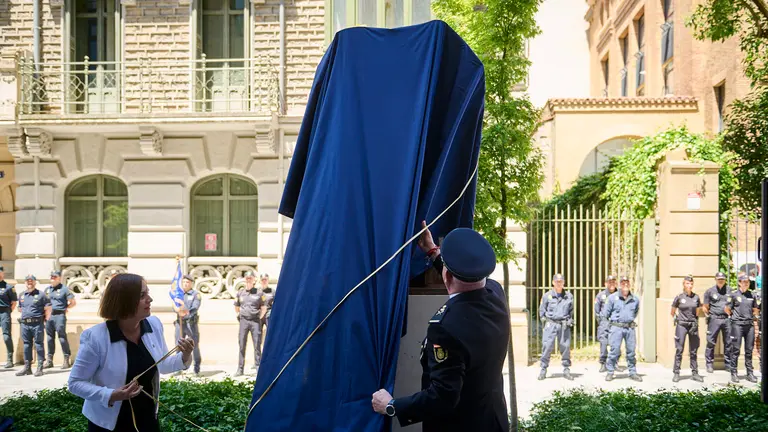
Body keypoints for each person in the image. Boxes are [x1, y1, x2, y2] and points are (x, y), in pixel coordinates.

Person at [371, 222, 509, 431]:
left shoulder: (445, 328)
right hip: (492, 421)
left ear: (446, 276)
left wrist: (391, 406)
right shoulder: (496, 293)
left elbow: (442, 397)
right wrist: (432, 251)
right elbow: (465, 283)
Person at [68, 273, 195, 432]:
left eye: (147, 293)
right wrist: (111, 395)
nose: (150, 299)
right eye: (142, 295)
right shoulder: (95, 337)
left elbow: (162, 365)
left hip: (147, 419)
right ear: (125, 300)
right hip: (108, 424)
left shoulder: (154, 325)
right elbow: (75, 383)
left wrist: (185, 355)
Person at [602, 276, 642, 382]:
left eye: (627, 283)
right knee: (614, 350)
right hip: (616, 328)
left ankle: (632, 372)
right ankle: (610, 371)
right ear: (619, 285)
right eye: (623, 283)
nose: (625, 285)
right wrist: (608, 328)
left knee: (631, 352)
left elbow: (635, 312)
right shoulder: (612, 298)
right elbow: (605, 314)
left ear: (630, 284)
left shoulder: (635, 299)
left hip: (629, 328)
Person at [538, 273, 574, 381]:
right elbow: (542, 311)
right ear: (553, 282)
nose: (559, 283)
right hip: (551, 324)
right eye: (557, 281)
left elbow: (571, 311)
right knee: (547, 346)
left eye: (561, 281)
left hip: (563, 324)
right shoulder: (547, 295)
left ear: (564, 282)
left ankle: (566, 369)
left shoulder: (569, 296)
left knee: (565, 347)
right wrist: (545, 322)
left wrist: (569, 321)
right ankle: (543, 369)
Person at [726, 272, 760, 383]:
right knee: (735, 349)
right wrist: (735, 317)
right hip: (737, 325)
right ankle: (734, 372)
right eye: (744, 282)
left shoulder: (752, 295)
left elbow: (755, 309)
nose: (746, 284)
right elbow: (727, 309)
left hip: (749, 325)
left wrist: (753, 315)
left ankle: (749, 373)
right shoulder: (734, 295)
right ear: (739, 283)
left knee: (749, 350)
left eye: (747, 282)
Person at [15, 275, 51, 377]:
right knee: (26, 344)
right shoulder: (22, 295)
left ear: (35, 282)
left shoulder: (41, 294)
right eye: (27, 281)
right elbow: (20, 308)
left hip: (37, 323)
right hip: (25, 324)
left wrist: (45, 319)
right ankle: (27, 367)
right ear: (25, 283)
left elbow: (48, 308)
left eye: (31, 281)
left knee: (39, 344)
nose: (29, 282)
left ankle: (39, 367)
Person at [670, 275, 703, 383]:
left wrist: (695, 322)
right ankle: (676, 372)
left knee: (693, 350)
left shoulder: (696, 297)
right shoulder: (679, 297)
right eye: (687, 283)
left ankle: (694, 372)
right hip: (682, 325)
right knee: (679, 349)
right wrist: (677, 320)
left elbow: (698, 311)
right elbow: (672, 311)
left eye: (691, 284)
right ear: (683, 284)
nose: (690, 285)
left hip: (692, 325)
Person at [43, 270, 76, 369]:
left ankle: (66, 359)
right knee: (49, 338)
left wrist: (65, 308)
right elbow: (44, 303)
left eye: (54, 276)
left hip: (59, 315)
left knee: (62, 337)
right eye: (51, 276)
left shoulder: (64, 289)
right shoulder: (47, 290)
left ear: (59, 278)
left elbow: (73, 302)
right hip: (49, 315)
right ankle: (49, 360)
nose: (52, 278)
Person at [234, 270, 264, 376]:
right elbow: (236, 307)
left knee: (257, 345)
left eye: (250, 278)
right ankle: (240, 369)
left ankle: (258, 367)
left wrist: (258, 317)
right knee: (242, 345)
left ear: (254, 280)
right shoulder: (240, 292)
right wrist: (242, 315)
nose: (248, 280)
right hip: (244, 321)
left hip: (255, 322)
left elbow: (263, 307)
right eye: (247, 278)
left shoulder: (259, 293)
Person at [702, 272, 731, 373]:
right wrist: (709, 316)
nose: (721, 280)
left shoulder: (730, 291)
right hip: (714, 319)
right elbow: (705, 307)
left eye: (722, 278)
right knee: (711, 342)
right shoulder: (710, 291)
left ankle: (728, 364)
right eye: (719, 279)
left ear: (725, 279)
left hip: (727, 319)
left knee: (728, 342)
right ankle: (709, 364)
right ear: (715, 279)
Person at [173, 274, 202, 374]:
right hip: (180, 324)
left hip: (191, 324)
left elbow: (195, 308)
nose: (185, 284)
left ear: (191, 284)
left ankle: (196, 369)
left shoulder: (195, 295)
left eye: (188, 282)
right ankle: (178, 368)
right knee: (178, 345)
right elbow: (174, 306)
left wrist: (185, 312)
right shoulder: (179, 294)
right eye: (184, 282)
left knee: (194, 346)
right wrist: (177, 310)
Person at [594, 275, 617, 372]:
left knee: (615, 343)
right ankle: (603, 363)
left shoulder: (619, 295)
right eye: (609, 282)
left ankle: (614, 363)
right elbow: (596, 311)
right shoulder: (600, 295)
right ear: (605, 283)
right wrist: (602, 322)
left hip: (616, 323)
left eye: (613, 282)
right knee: (603, 343)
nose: (611, 284)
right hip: (604, 322)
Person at [0, 265, 16, 368]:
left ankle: (10, 359)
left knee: (6, 336)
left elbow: (13, 303)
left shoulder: (9, 287)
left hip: (4, 312)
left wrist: (8, 312)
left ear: (2, 273)